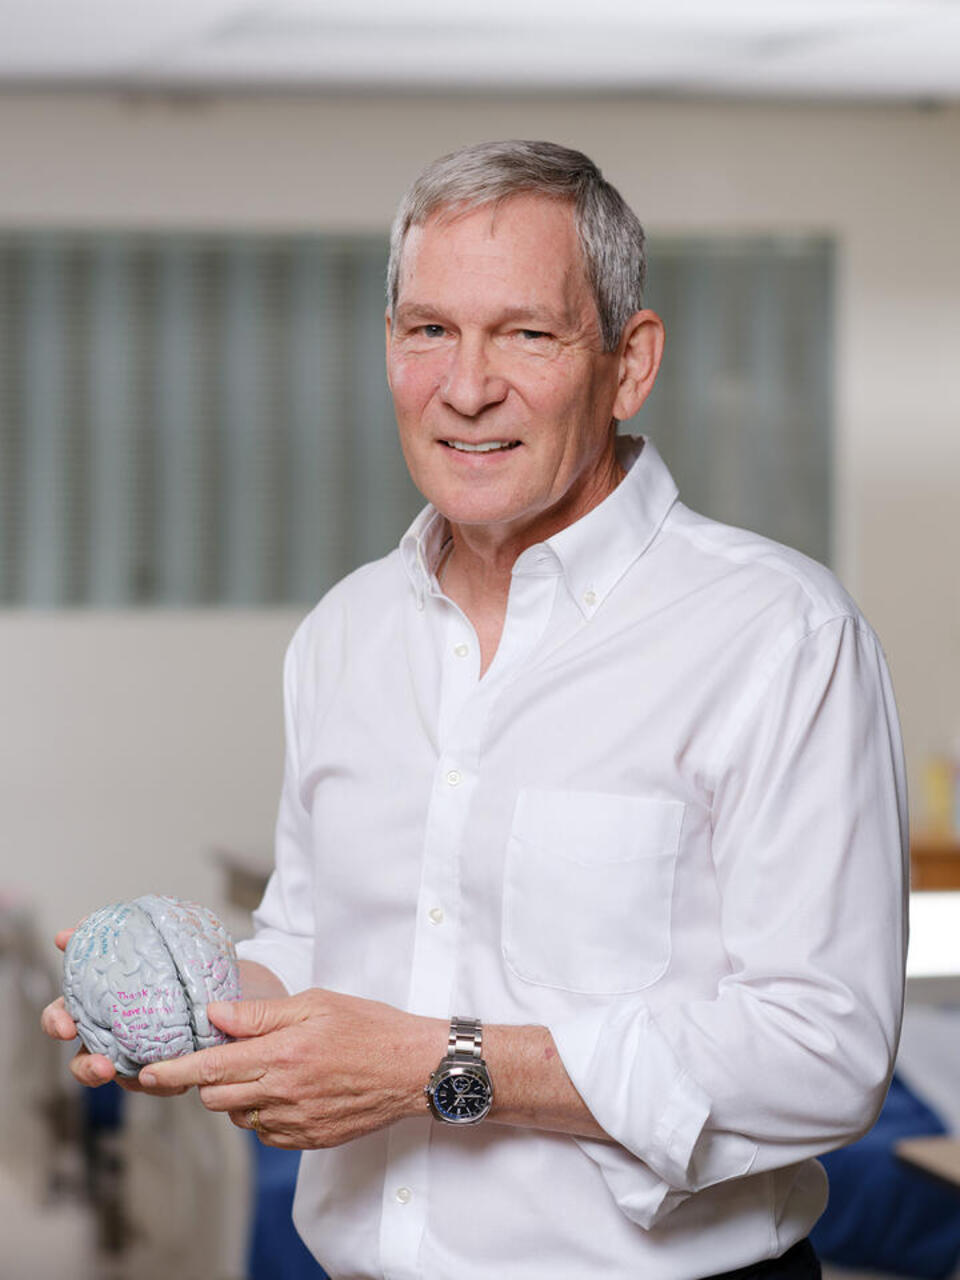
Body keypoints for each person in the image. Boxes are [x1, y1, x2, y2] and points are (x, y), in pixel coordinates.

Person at [43, 140, 908, 1280]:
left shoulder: (780, 635)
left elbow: (823, 1050)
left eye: (526, 333)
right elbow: (315, 939)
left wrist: (438, 1067)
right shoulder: (345, 634)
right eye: (428, 330)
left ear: (629, 362)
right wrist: (201, 1009)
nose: (466, 385)